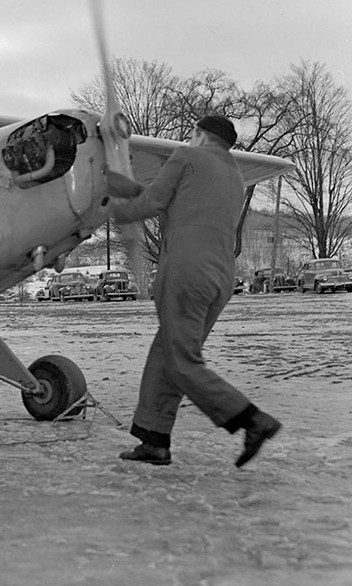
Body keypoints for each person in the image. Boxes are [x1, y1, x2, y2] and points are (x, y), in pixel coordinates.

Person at [105, 115, 281, 467]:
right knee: (166, 354)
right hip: (220, 277)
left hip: (187, 270)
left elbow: (152, 202)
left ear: (200, 135)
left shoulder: (186, 156)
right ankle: (153, 440)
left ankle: (251, 419)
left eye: (192, 133)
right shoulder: (233, 175)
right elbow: (172, 199)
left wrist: (106, 209)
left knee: (182, 360)